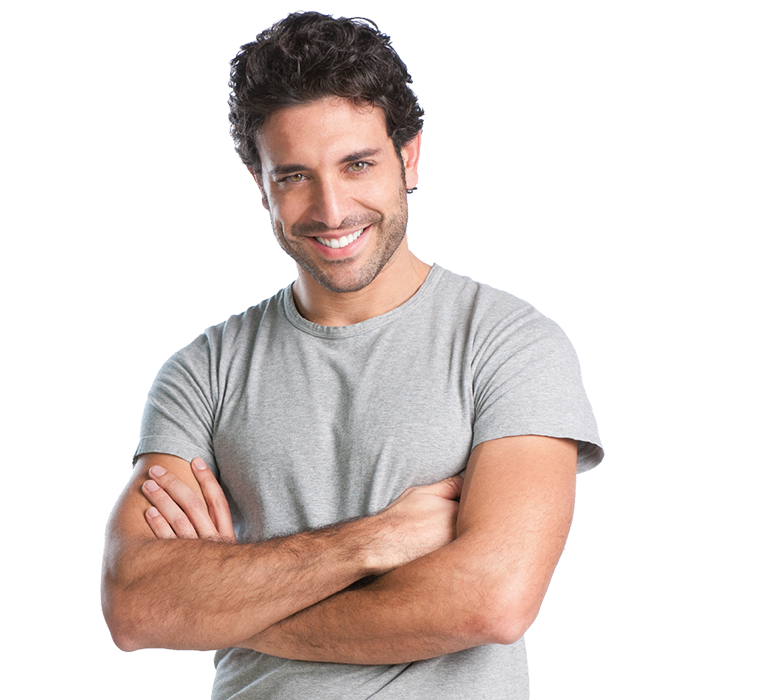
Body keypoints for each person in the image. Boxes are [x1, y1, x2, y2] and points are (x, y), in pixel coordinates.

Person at [101, 11, 603, 700]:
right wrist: (374, 540)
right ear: (260, 183)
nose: (331, 210)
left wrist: (228, 610)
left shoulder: (509, 345)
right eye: (294, 176)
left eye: (358, 164)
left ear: (409, 158)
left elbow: (493, 600)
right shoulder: (204, 372)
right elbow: (135, 606)